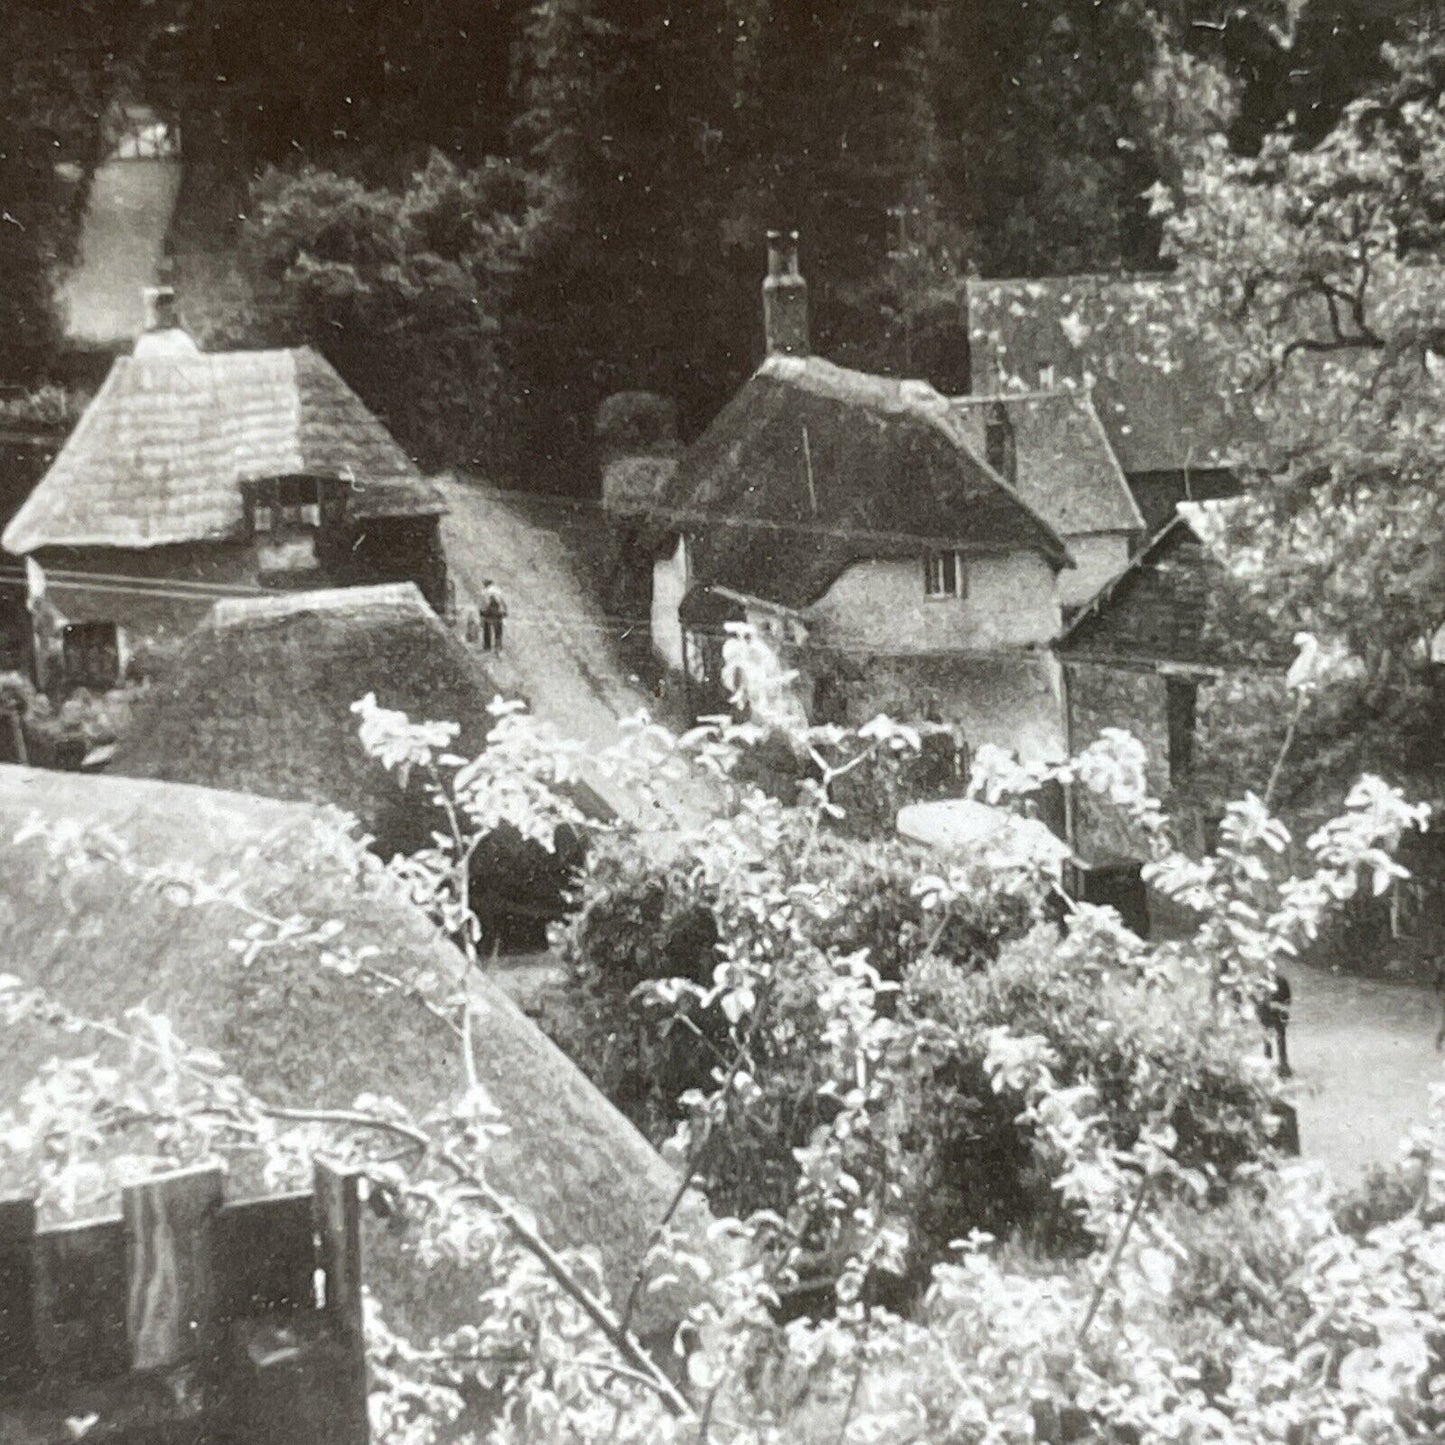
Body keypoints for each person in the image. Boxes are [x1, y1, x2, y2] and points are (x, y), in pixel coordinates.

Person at [1257, 972, 1293, 1078]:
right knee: (1267, 1038)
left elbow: (1288, 999)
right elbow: (1255, 997)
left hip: (1279, 1014)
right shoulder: (1260, 981)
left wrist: (1281, 1006)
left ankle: (1283, 1066)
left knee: (1281, 1038)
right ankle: (1268, 1063)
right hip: (1265, 1013)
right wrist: (1264, 1003)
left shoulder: (1281, 981)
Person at [480, 579, 508, 653]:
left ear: (486, 584)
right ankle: (498, 645)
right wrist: (505, 612)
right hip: (498, 613)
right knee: (498, 630)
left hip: (488, 613)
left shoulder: (484, 592)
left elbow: (483, 604)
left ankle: (487, 646)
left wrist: (482, 615)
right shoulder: (498, 591)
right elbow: (503, 602)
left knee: (487, 630)